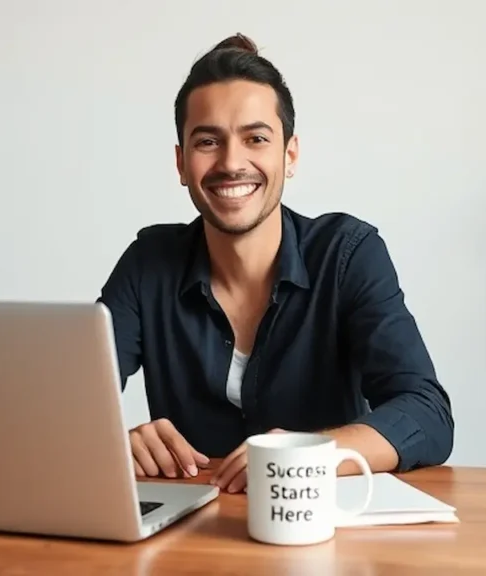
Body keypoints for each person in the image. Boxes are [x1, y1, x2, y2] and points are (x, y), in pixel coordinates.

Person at [97, 33, 454, 493]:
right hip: (193, 534)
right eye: (208, 141)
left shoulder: (347, 254)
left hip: (320, 531)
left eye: (256, 138)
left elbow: (427, 413)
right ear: (181, 163)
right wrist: (114, 442)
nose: (231, 162)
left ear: (289, 156)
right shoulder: (148, 264)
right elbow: (68, 405)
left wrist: (309, 454)